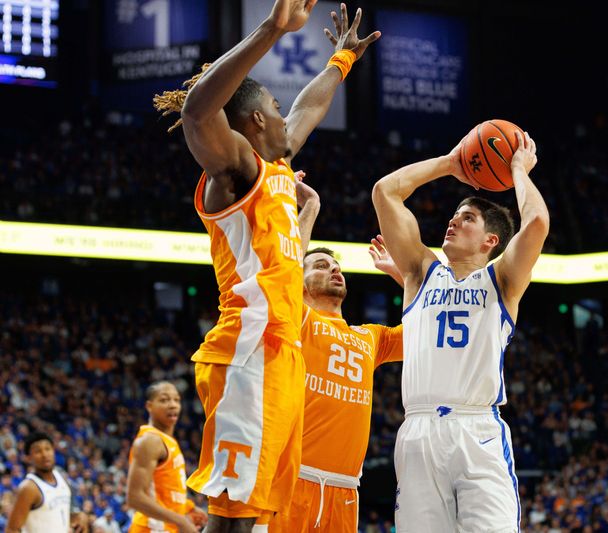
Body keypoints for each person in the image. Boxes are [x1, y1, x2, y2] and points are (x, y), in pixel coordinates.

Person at [151, 0, 379, 530]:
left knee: (257, 516)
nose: (285, 114)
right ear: (255, 120)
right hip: (249, 350)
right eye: (275, 105)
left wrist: (340, 62)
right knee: (231, 515)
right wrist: (272, 29)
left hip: (283, 357)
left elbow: (306, 112)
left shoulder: (276, 168)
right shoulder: (232, 170)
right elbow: (197, 114)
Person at [372, 131, 548, 532]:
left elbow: (536, 222)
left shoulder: (501, 279)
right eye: (454, 215)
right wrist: (451, 164)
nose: (453, 221)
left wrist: (518, 169)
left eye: (467, 218)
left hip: (476, 431)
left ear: (491, 240)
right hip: (417, 431)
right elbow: (385, 192)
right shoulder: (419, 273)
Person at [262, 205, 404, 531]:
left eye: (337, 267)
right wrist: (309, 209)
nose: (334, 271)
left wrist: (402, 274)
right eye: (322, 266)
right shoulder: (298, 319)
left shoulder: (370, 336)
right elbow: (283, 272)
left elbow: (428, 327)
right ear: (302, 279)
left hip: (346, 489)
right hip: (291, 479)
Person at [126, 382, 207, 533]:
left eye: (176, 400)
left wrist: (188, 507)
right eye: (164, 400)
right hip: (150, 528)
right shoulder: (150, 441)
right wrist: (181, 521)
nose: (173, 405)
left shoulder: (168, 441)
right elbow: (134, 497)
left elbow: (164, 491)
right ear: (149, 406)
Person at [6, 432, 88, 533]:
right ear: (28, 458)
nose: (44, 454)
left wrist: (80, 516)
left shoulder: (61, 478)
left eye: (47, 449)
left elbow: (60, 514)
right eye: (38, 451)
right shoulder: (29, 488)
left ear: (53, 451)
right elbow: (12, 529)